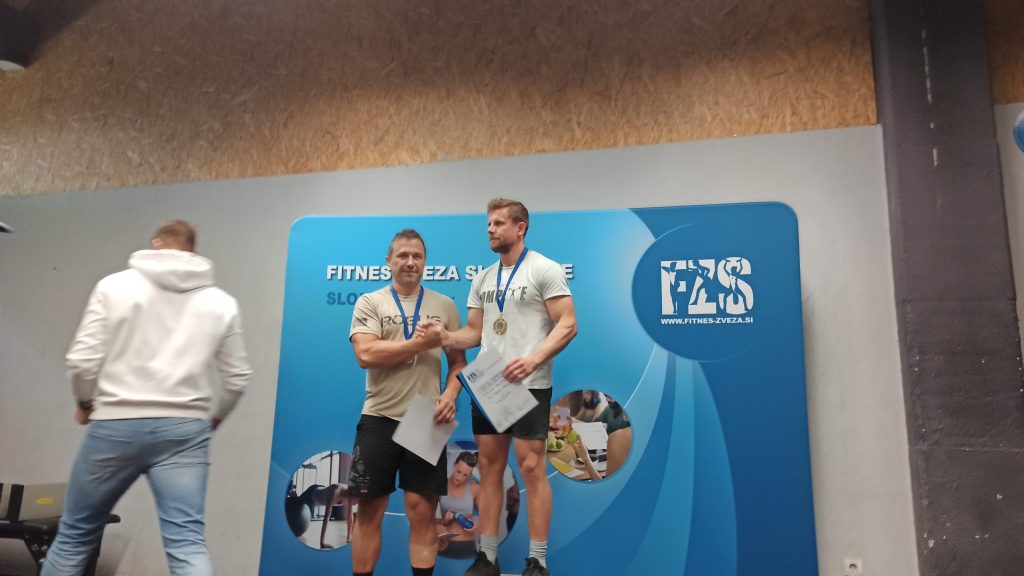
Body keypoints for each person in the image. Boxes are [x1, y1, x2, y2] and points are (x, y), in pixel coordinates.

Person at [43, 220, 253, 576]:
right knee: (187, 543)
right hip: (185, 431)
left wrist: (84, 403)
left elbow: (81, 362)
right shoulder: (221, 302)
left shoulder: (113, 287)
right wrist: (216, 417)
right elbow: (237, 378)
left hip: (115, 425)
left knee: (75, 536)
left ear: (156, 243)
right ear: (193, 251)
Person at [438, 199, 577, 576]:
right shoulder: (483, 279)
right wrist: (445, 336)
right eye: (488, 224)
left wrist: (533, 359)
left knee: (531, 467)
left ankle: (537, 561)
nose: (490, 229)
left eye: (498, 223)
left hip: (530, 383)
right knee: (489, 468)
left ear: (520, 228)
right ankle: (487, 558)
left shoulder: (544, 269)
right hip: (490, 385)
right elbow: (474, 332)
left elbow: (567, 323)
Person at [347, 229, 467, 576]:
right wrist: (419, 344)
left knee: (422, 511)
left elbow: (458, 363)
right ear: (389, 261)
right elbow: (366, 354)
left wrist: (450, 393)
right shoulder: (371, 302)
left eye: (417, 256)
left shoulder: (444, 306)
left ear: (425, 262)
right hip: (379, 417)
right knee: (369, 511)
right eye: (403, 255)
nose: (410, 262)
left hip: (426, 419)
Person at [436, 451, 481, 559]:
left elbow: (488, 518)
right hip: (442, 545)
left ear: (470, 474)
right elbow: (427, 520)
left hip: (468, 545)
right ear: (454, 465)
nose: (459, 477)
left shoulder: (475, 489)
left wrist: (478, 525)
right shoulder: (440, 485)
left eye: (465, 475)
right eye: (458, 471)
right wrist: (443, 521)